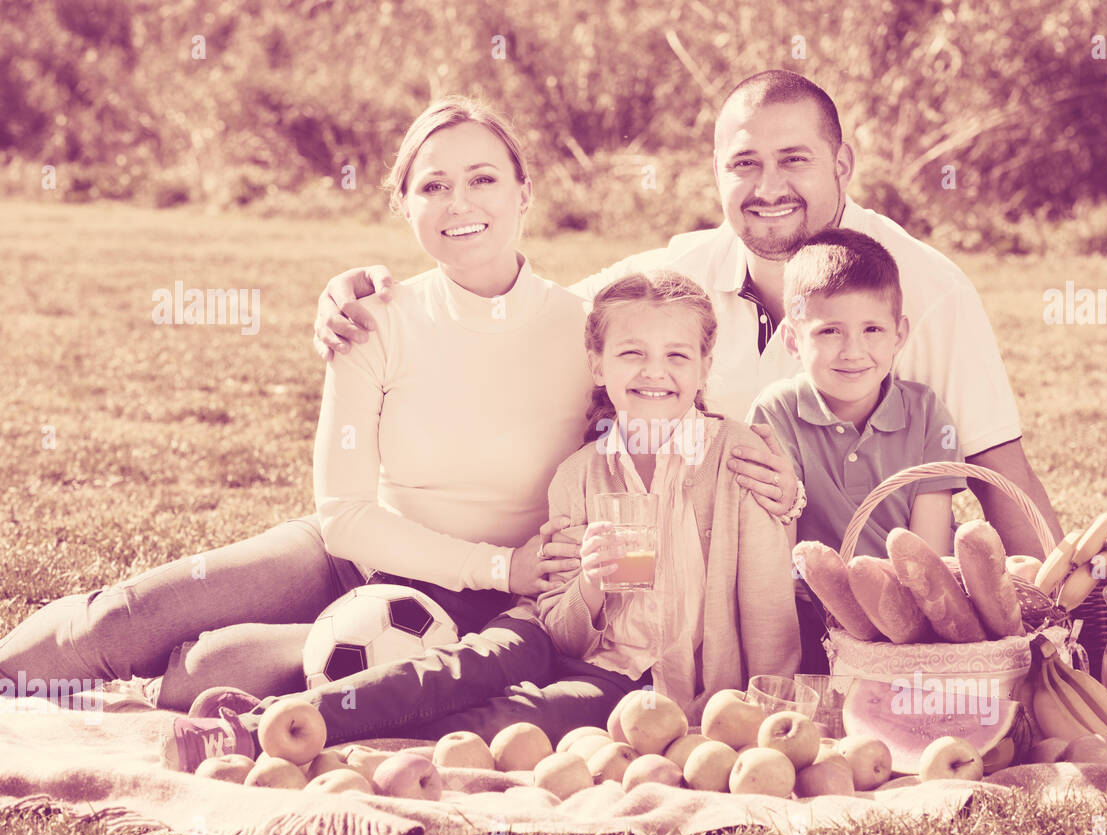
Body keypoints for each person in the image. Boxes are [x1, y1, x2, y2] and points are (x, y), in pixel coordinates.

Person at [0, 98, 604, 755]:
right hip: (353, 556)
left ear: (525, 193)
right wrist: (498, 563)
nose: (460, 203)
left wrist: (511, 573)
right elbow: (344, 514)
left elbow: (687, 321)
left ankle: (270, 671)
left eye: (483, 178)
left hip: (469, 609)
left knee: (204, 672)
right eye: (433, 186)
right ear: (405, 207)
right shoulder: (372, 318)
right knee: (123, 620)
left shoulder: (592, 330)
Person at [314, 70, 1064, 558]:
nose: (768, 187)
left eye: (794, 160)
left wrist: (1061, 613)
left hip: (866, 594)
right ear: (717, 174)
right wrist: (375, 297)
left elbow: (999, 474)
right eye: (743, 164)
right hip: (698, 573)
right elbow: (538, 310)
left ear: (842, 166)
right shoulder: (684, 272)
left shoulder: (925, 292)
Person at [537, 271, 798, 722]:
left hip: (713, 696)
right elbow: (564, 636)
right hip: (613, 682)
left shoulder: (738, 457)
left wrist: (766, 714)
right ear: (598, 366)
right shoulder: (576, 477)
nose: (654, 370)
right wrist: (592, 583)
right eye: (631, 353)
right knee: (525, 716)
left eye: (677, 355)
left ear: (704, 368)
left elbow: (768, 607)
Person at [747, 227, 966, 672]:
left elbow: (926, 557)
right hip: (809, 611)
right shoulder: (776, 412)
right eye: (829, 331)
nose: (854, 351)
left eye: (872, 329)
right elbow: (775, 552)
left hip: (907, 615)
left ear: (898, 334)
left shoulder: (926, 414)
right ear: (792, 340)